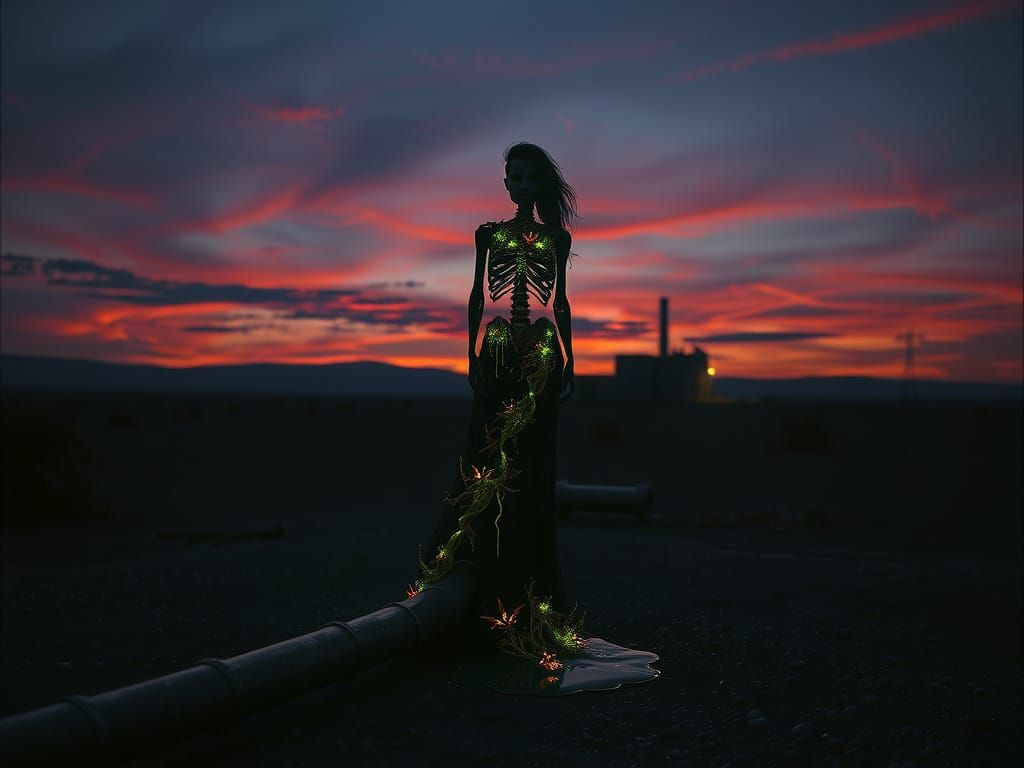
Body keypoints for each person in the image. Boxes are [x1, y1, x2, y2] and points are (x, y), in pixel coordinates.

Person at [406, 144, 659, 694]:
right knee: (485, 455)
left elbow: (559, 302)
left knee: (528, 462)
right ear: (506, 184)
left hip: (540, 355)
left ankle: (526, 580)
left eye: (528, 177)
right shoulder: (487, 236)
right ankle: (479, 570)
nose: (519, 185)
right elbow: (477, 295)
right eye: (512, 177)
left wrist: (570, 357)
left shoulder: (556, 240)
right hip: (498, 351)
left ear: (540, 184)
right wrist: (470, 353)